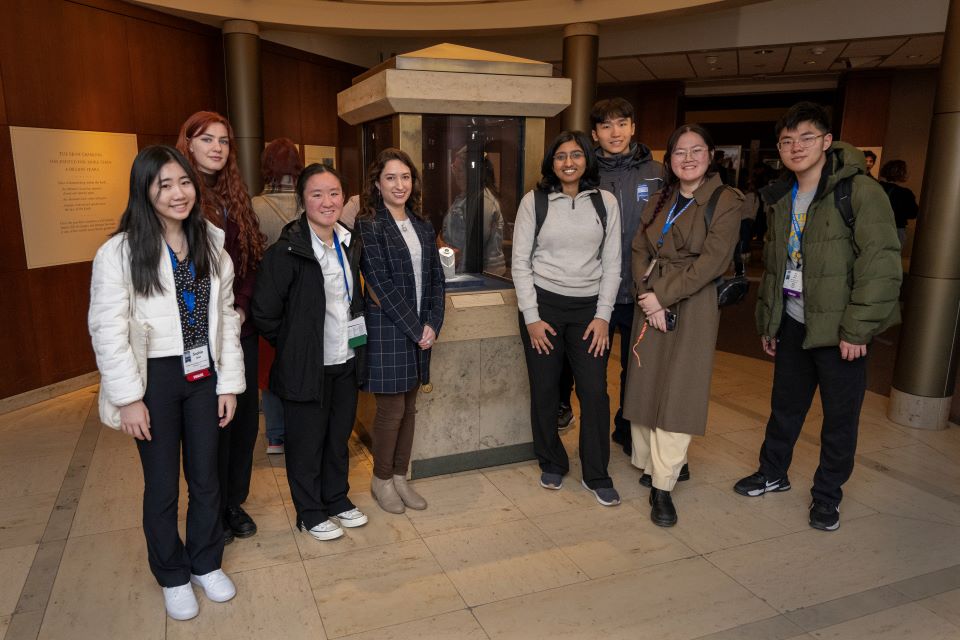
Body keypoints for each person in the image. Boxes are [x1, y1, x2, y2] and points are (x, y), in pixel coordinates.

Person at [89, 145, 244, 620]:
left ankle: (205, 562)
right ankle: (173, 574)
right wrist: (128, 399)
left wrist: (228, 384)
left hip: (203, 374)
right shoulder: (119, 252)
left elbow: (225, 318)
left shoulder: (210, 244)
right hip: (153, 378)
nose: (179, 194)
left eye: (184, 182)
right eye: (165, 185)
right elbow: (107, 329)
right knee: (161, 487)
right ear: (144, 190)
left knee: (207, 477)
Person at [734, 102, 902, 531]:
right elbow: (776, 267)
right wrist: (770, 322)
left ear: (827, 141)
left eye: (806, 137)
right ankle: (773, 472)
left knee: (839, 419)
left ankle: (827, 495)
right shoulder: (782, 197)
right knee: (785, 408)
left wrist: (857, 329)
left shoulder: (858, 192)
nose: (796, 147)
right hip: (794, 321)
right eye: (787, 141)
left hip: (841, 330)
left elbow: (880, 265)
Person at [623, 124, 742, 527]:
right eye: (679, 152)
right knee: (645, 381)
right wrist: (646, 296)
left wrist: (662, 296)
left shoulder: (726, 200)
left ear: (711, 154)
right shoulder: (662, 197)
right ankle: (651, 463)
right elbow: (639, 249)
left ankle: (664, 484)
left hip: (693, 303)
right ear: (669, 159)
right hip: (650, 300)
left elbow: (713, 262)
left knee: (680, 390)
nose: (688, 158)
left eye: (696, 150)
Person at [253, 163, 369, 541]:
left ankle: (336, 499)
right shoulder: (286, 251)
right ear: (303, 201)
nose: (327, 201)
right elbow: (264, 313)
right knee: (306, 444)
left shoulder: (349, 242)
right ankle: (310, 511)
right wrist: (295, 346)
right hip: (306, 366)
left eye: (334, 193)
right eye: (317, 194)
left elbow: (351, 301)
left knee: (337, 438)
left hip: (345, 358)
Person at [513, 130, 623, 507]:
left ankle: (596, 473)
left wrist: (603, 316)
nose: (569, 162)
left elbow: (613, 264)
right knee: (545, 389)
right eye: (561, 156)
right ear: (552, 162)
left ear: (587, 159)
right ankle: (552, 460)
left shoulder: (605, 202)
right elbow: (520, 262)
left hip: (589, 310)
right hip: (543, 305)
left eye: (576, 155)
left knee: (594, 392)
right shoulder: (535, 201)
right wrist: (531, 317)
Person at [178, 111, 266, 544]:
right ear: (188, 144)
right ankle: (208, 509)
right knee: (209, 425)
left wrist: (243, 308)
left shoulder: (235, 196)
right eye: (207, 139)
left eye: (224, 141)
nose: (217, 147)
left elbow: (249, 261)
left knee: (244, 422)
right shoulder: (179, 196)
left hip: (239, 330)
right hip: (198, 334)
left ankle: (233, 502)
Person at [357, 148, 445, 514]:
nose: (399, 184)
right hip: (389, 330)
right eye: (390, 177)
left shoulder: (422, 225)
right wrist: (416, 329)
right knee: (391, 410)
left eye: (405, 177)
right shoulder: (369, 224)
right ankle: (381, 479)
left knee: (410, 408)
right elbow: (379, 284)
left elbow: (438, 280)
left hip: (421, 329)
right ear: (377, 184)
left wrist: (433, 324)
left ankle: (399, 476)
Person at [584, 96, 664, 455]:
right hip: (597, 292)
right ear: (595, 133)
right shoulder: (586, 174)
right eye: (606, 125)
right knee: (592, 373)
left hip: (641, 291)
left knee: (637, 371)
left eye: (621, 124)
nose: (614, 132)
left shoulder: (658, 173)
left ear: (633, 127)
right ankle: (595, 438)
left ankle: (627, 431)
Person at [251, 137, 304, 455]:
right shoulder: (307, 203)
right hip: (303, 296)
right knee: (301, 365)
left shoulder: (255, 206)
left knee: (269, 368)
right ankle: (300, 431)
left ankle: (275, 436)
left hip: (267, 297)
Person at [438, 149, 507, 276]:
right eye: (454, 168)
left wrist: (459, 274)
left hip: (483, 274)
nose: (456, 174)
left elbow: (475, 247)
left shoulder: (483, 200)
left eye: (460, 170)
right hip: (462, 269)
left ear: (472, 173)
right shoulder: (466, 197)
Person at [878, 159, 919, 247]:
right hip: (896, 229)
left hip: (874, 227)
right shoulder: (904, 193)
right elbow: (913, 213)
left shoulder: (875, 187)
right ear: (902, 173)